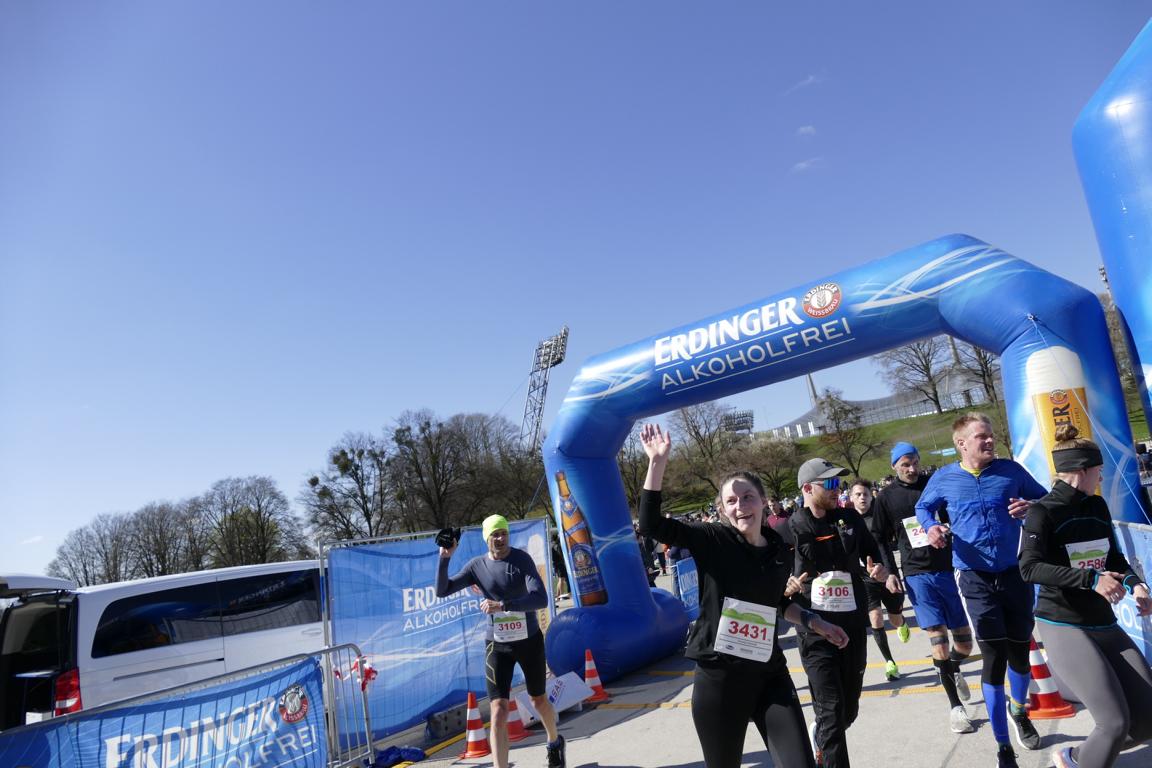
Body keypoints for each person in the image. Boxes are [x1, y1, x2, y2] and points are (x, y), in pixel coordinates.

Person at [638, 424, 848, 768]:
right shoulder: (713, 540)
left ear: (763, 501)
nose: (740, 506)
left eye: (748, 497)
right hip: (719, 678)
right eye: (731, 501)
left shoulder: (778, 548)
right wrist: (657, 462)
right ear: (722, 510)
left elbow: (776, 601)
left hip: (768, 675)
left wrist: (815, 622)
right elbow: (650, 525)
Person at [915, 413, 1048, 768]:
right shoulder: (945, 478)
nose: (990, 441)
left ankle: (1019, 711)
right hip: (974, 577)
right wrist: (930, 527)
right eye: (982, 437)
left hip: (1014, 572)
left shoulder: (1011, 471)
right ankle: (1003, 746)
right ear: (962, 444)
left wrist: (1032, 507)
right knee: (994, 656)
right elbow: (923, 507)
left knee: (1020, 654)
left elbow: (1047, 499)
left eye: (991, 435)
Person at [1019, 425, 1152, 768]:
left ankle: (1073, 759)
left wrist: (1136, 583)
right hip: (1064, 622)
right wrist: (1091, 579)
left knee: (1147, 718)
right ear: (1081, 470)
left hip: (1102, 620)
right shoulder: (1043, 511)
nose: (1101, 477)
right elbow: (1029, 568)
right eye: (1098, 471)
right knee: (1114, 723)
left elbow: (1113, 558)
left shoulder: (1096, 505)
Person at [435, 515, 566, 768]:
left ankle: (554, 742)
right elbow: (443, 590)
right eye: (495, 534)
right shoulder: (477, 566)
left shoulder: (521, 560)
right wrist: (444, 557)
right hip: (497, 645)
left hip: (528, 641)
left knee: (538, 700)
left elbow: (540, 599)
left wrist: (504, 605)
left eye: (504, 533)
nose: (500, 538)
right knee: (498, 710)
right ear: (487, 538)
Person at [790, 458, 889, 768]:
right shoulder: (790, 527)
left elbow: (873, 552)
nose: (838, 489)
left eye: (839, 483)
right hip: (815, 630)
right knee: (831, 710)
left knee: (847, 712)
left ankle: (821, 736)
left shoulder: (849, 518)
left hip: (852, 626)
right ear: (808, 488)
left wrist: (880, 569)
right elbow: (774, 574)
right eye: (830, 484)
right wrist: (785, 585)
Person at [872, 442, 975, 735]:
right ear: (894, 466)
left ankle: (950, 667)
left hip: (948, 568)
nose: (912, 469)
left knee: (964, 645)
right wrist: (890, 573)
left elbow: (955, 515)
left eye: (915, 462)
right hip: (917, 573)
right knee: (938, 640)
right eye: (905, 464)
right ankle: (956, 708)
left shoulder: (935, 484)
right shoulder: (886, 498)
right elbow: (879, 537)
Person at [849, 478, 908, 682]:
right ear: (851, 498)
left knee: (894, 618)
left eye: (865, 494)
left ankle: (901, 622)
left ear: (871, 496)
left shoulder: (879, 517)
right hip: (865, 579)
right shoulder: (846, 522)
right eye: (858, 494)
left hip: (888, 575)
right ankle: (890, 662)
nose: (862, 498)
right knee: (875, 618)